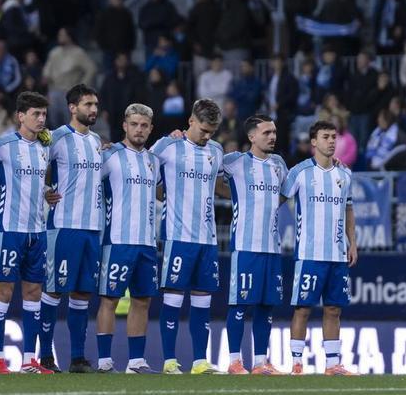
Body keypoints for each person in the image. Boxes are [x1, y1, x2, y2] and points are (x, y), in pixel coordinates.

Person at [151, 98, 224, 375]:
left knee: (203, 299)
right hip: (177, 236)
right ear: (191, 121)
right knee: (172, 297)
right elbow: (142, 171)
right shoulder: (167, 146)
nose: (207, 137)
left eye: (212, 132)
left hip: (208, 239)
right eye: (204, 130)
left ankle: (199, 361)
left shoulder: (216, 151)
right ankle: (169, 360)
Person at [282, 120, 358, 376]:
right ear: (313, 142)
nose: (332, 141)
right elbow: (279, 199)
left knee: (334, 309)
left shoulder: (344, 174)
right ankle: (296, 362)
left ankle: (332, 364)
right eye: (326, 137)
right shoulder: (300, 173)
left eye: (334, 137)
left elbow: (348, 208)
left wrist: (352, 243)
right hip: (309, 255)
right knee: (303, 308)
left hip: (336, 255)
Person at [0, 92, 55, 375]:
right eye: (35, 114)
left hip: (37, 231)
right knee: (4, 289)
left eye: (43, 114)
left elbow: (38, 184)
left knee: (33, 291)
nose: (41, 120)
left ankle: (29, 359)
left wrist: (48, 193)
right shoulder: (3, 145)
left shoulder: (44, 148)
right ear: (20, 116)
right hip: (10, 230)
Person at [37, 84, 104, 374]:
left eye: (96, 104)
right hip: (64, 226)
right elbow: (31, 161)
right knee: (53, 291)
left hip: (93, 228)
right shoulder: (57, 137)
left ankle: (77, 357)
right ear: (73, 108)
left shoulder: (97, 140)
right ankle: (44, 356)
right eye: (88, 104)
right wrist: (43, 189)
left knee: (82, 295)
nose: (94, 109)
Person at [222, 116, 288, 375]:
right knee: (240, 303)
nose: (272, 137)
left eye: (274, 132)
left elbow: (287, 191)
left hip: (271, 246)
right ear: (252, 136)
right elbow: (208, 174)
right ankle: (235, 361)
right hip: (246, 246)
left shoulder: (278, 164)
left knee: (266, 304)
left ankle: (261, 362)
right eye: (267, 132)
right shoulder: (234, 162)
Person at [95, 103, 159, 374]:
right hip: (118, 240)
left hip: (147, 242)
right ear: (125, 125)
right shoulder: (109, 155)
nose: (139, 129)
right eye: (134, 124)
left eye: (144, 125)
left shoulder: (153, 160)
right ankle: (104, 361)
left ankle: (135, 362)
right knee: (109, 299)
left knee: (142, 300)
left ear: (151, 128)